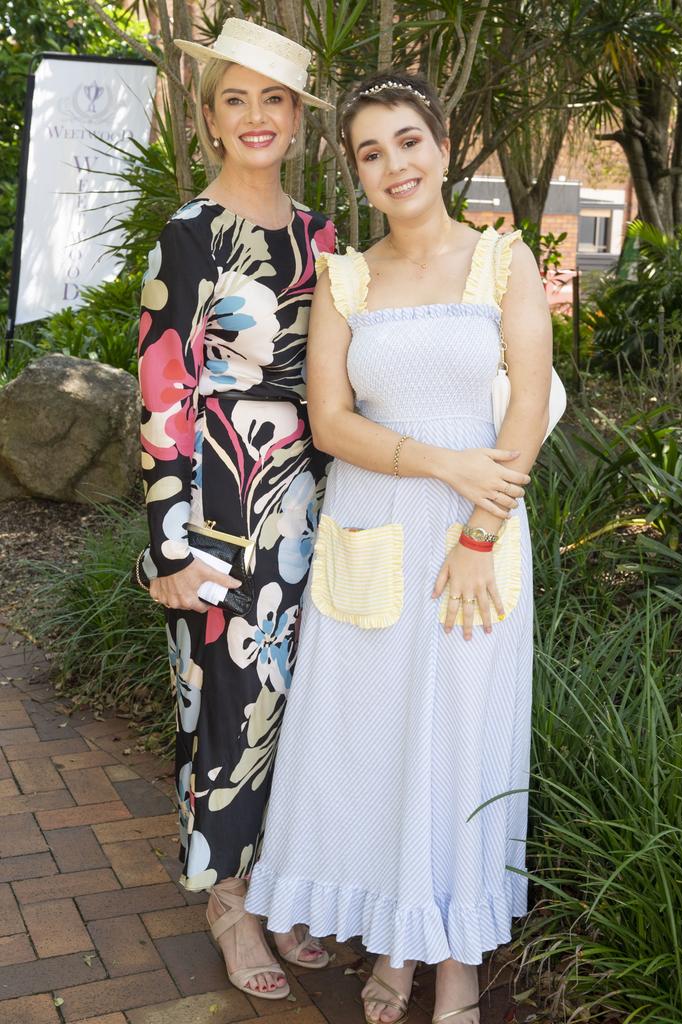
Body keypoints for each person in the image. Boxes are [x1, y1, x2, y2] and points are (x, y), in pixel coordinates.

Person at [244, 70, 555, 1024]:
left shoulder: (504, 263)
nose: (394, 164)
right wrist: (440, 465)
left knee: (461, 743)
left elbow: (530, 411)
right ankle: (390, 941)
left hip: (477, 543)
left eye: (408, 141)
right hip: (371, 530)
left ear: (444, 143)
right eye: (371, 152)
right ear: (356, 172)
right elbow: (331, 423)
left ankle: (454, 964)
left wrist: (477, 526)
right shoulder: (345, 278)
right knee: (371, 742)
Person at [137, 18, 337, 1000]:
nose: (255, 117)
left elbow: (340, 388)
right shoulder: (188, 235)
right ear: (212, 119)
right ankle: (229, 902)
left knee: (293, 708)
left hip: (302, 504)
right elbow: (161, 398)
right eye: (235, 99)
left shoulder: (321, 237)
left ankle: (283, 883)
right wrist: (168, 550)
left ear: (297, 119)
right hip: (215, 500)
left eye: (274, 99)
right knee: (220, 703)